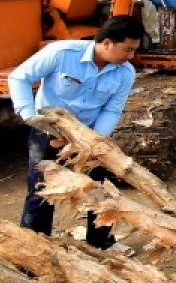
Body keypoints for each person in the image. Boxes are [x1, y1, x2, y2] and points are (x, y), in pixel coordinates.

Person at [8, 16, 146, 254]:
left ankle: (101, 243)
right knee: (42, 188)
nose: (130, 56)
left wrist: (95, 142)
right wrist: (30, 115)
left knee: (100, 188)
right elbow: (20, 77)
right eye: (127, 49)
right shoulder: (61, 53)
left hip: (89, 136)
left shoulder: (125, 72)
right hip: (49, 130)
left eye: (133, 50)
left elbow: (112, 109)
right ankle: (34, 245)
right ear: (106, 43)